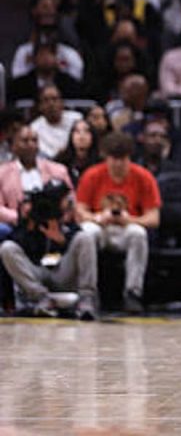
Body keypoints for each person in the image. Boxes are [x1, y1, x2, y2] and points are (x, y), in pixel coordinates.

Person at [75, 132, 161, 314]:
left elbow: (154, 218)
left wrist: (129, 219)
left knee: (138, 233)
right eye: (114, 159)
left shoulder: (143, 177)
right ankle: (87, 293)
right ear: (105, 157)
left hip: (126, 228)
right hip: (101, 227)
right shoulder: (92, 175)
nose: (118, 164)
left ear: (130, 157)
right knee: (86, 232)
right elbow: (80, 212)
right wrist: (98, 218)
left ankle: (133, 293)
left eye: (123, 159)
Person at [0, 180, 97, 320]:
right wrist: (28, 225)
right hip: (36, 272)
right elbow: (16, 244)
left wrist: (62, 240)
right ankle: (42, 299)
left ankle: (86, 299)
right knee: (7, 247)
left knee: (85, 237)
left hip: (62, 271)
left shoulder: (67, 216)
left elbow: (78, 238)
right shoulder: (32, 217)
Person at [0, 126, 75, 239]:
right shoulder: (2, 173)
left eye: (34, 141)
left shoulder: (58, 170)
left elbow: (71, 200)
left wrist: (60, 216)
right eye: (25, 141)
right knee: (8, 247)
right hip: (18, 226)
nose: (31, 145)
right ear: (14, 147)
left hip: (55, 223)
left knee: (83, 236)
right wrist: (20, 216)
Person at [30, 84, 83, 159]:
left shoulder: (77, 119)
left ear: (62, 103)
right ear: (40, 106)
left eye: (54, 99)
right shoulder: (34, 128)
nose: (51, 104)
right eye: (46, 100)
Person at [55, 120, 101, 187]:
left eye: (87, 131)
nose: (81, 136)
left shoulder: (100, 163)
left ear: (93, 137)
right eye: (77, 131)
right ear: (71, 136)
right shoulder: (60, 161)